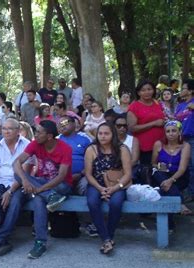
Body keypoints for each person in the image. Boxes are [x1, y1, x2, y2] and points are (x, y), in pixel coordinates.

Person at [13, 120, 72, 259]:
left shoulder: (65, 148)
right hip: (42, 183)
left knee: (39, 197)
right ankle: (40, 241)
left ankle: (40, 242)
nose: (36, 135)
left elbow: (62, 176)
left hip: (62, 185)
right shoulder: (35, 144)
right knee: (18, 175)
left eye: (39, 132)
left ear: (50, 136)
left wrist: (40, 190)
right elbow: (16, 163)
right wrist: (26, 181)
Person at [0, 118, 30, 258]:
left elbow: (24, 173)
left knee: (15, 201)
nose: (6, 131)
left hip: (20, 184)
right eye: (4, 129)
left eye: (10, 129)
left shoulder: (27, 145)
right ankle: (2, 239)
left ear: (18, 131)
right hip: (1, 183)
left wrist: (10, 191)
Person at [84, 123, 132, 255]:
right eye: (100, 133)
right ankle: (106, 239)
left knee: (116, 203)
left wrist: (115, 188)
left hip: (117, 184)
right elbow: (88, 174)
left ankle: (108, 236)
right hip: (96, 184)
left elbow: (128, 174)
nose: (103, 136)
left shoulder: (122, 149)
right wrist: (100, 188)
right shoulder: (91, 149)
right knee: (92, 202)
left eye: (106, 133)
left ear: (113, 135)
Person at [151, 121, 191, 224]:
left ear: (179, 132)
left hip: (179, 176)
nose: (171, 133)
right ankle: (179, 202)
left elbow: (182, 168)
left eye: (174, 131)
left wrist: (170, 180)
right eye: (168, 131)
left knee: (165, 189)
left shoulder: (185, 146)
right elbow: (153, 164)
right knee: (157, 174)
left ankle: (169, 224)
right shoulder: (159, 144)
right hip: (162, 175)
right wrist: (161, 166)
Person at [127, 79, 165, 166]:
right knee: (148, 172)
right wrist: (154, 123)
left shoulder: (156, 103)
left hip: (162, 144)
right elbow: (132, 128)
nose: (147, 92)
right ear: (138, 92)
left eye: (149, 89)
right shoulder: (134, 106)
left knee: (162, 170)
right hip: (145, 147)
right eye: (143, 90)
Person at [58, 116, 91, 195]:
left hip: (82, 176)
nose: (62, 126)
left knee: (86, 184)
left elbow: (91, 159)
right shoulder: (56, 140)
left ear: (73, 124)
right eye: (60, 124)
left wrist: (81, 174)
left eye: (65, 123)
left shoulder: (85, 139)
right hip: (61, 177)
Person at [175, 79, 194, 196]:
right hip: (182, 140)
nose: (181, 91)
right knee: (186, 167)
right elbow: (177, 120)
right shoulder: (180, 105)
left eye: (183, 88)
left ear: (191, 91)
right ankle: (188, 191)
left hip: (192, 138)